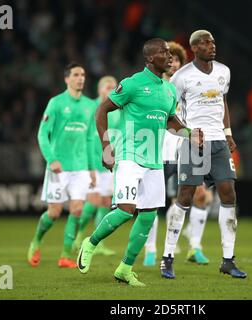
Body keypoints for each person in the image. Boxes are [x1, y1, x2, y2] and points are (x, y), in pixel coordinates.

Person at [76, 38, 203, 286]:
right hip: (130, 156)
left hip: (154, 161)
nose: (169, 57)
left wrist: (190, 133)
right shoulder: (133, 83)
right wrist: (106, 146)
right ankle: (90, 243)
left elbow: (170, 121)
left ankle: (125, 268)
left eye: (169, 53)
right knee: (126, 210)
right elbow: (102, 110)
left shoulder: (169, 90)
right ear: (150, 59)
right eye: (163, 53)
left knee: (148, 216)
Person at [160, 30, 247, 279]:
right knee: (185, 196)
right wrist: (188, 133)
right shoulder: (181, 76)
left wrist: (228, 131)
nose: (212, 46)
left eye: (213, 42)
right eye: (206, 42)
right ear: (194, 47)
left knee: (228, 192)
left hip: (219, 141)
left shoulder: (224, 71)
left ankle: (228, 260)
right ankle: (167, 257)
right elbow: (170, 111)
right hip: (194, 141)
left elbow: (223, 102)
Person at [143, 41, 213, 266]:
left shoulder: (191, 90)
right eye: (169, 60)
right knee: (151, 204)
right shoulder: (154, 90)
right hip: (157, 152)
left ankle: (195, 247)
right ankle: (151, 250)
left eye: (177, 61)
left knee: (200, 196)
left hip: (185, 151)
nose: (173, 65)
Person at [27, 62, 96, 268]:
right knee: (54, 212)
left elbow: (91, 139)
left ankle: (65, 256)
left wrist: (92, 167)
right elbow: (42, 133)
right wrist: (51, 159)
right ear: (67, 79)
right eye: (76, 74)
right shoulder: (56, 103)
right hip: (60, 167)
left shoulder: (90, 105)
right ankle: (36, 241)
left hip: (81, 166)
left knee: (76, 210)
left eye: (83, 74)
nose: (80, 78)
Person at [73, 76, 120, 256]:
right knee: (93, 201)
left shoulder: (116, 110)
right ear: (100, 90)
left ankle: (97, 242)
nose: (111, 90)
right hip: (92, 163)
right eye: (108, 87)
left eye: (114, 87)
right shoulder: (91, 108)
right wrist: (89, 164)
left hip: (109, 163)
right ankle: (77, 237)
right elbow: (87, 139)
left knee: (106, 202)